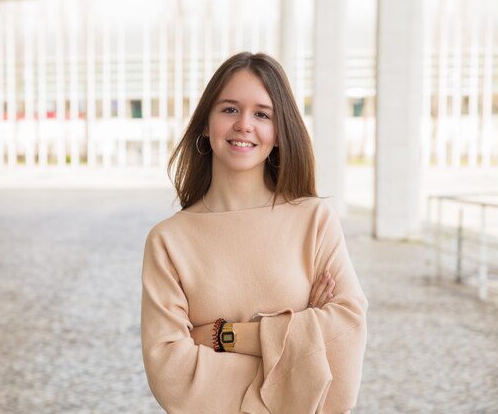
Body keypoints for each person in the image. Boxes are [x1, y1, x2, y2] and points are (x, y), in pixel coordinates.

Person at [141, 52, 367, 414]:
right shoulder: (169, 241)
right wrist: (301, 341)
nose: (244, 124)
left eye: (262, 114)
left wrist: (221, 336)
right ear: (205, 123)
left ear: (278, 133)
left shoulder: (314, 220)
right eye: (229, 109)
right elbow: (170, 370)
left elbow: (347, 331)